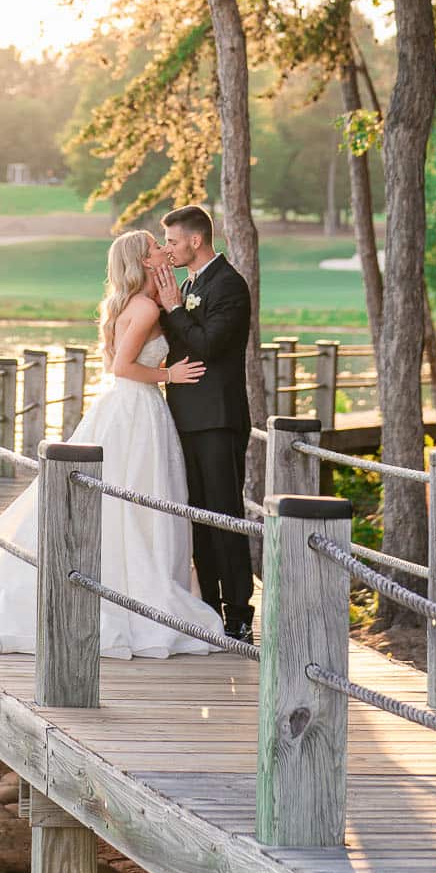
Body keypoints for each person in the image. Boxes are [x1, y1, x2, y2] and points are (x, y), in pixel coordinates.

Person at [0, 229, 226, 658]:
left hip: (128, 409)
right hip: (137, 410)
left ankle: (122, 582)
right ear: (145, 262)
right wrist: (170, 375)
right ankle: (135, 594)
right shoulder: (146, 307)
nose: (164, 251)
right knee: (134, 498)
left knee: (131, 498)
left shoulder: (127, 304)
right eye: (155, 247)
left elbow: (113, 360)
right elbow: (123, 367)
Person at [147, 205, 254, 643]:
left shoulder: (229, 285)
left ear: (195, 240)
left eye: (172, 241)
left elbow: (207, 345)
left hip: (217, 420)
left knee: (225, 517)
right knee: (197, 516)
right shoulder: (188, 284)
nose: (168, 249)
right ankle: (208, 607)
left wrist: (174, 309)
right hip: (185, 419)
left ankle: (240, 615)